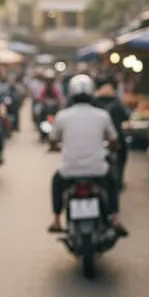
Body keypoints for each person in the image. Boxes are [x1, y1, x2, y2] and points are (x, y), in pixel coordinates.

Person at [48, 74, 128, 236]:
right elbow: (114, 139)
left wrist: (56, 146)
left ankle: (56, 219)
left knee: (56, 181)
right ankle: (115, 219)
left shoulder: (62, 116)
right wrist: (111, 145)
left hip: (69, 171)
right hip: (97, 170)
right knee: (113, 182)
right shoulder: (102, 115)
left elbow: (52, 140)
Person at [94, 79, 130, 187]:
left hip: (99, 138)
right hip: (115, 137)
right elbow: (126, 117)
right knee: (122, 154)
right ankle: (119, 180)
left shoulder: (94, 104)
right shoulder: (117, 104)